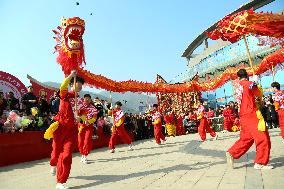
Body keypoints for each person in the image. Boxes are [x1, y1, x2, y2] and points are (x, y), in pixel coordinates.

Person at [226, 69, 272, 170]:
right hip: (251, 113)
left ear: (238, 77)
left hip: (243, 115)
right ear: (246, 76)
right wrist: (255, 82)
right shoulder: (249, 83)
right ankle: (260, 162)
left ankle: (232, 152)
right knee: (263, 137)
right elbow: (258, 93)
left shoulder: (237, 86)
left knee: (247, 138)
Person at [46, 70, 84, 189]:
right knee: (56, 153)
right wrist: (70, 76)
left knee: (67, 155)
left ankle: (61, 182)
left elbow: (82, 115)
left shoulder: (80, 101)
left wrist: (80, 118)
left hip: (72, 130)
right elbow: (62, 86)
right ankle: (53, 164)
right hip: (60, 127)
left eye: (82, 85)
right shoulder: (65, 94)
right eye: (78, 84)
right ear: (72, 84)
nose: (80, 86)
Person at [78, 94, 98, 164]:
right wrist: (82, 118)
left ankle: (85, 155)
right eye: (85, 98)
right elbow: (78, 114)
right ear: (83, 99)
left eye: (88, 99)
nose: (87, 100)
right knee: (80, 141)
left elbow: (95, 118)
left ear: (90, 100)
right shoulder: (80, 106)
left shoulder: (93, 108)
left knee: (87, 141)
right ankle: (82, 154)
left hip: (89, 127)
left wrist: (89, 121)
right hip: (81, 126)